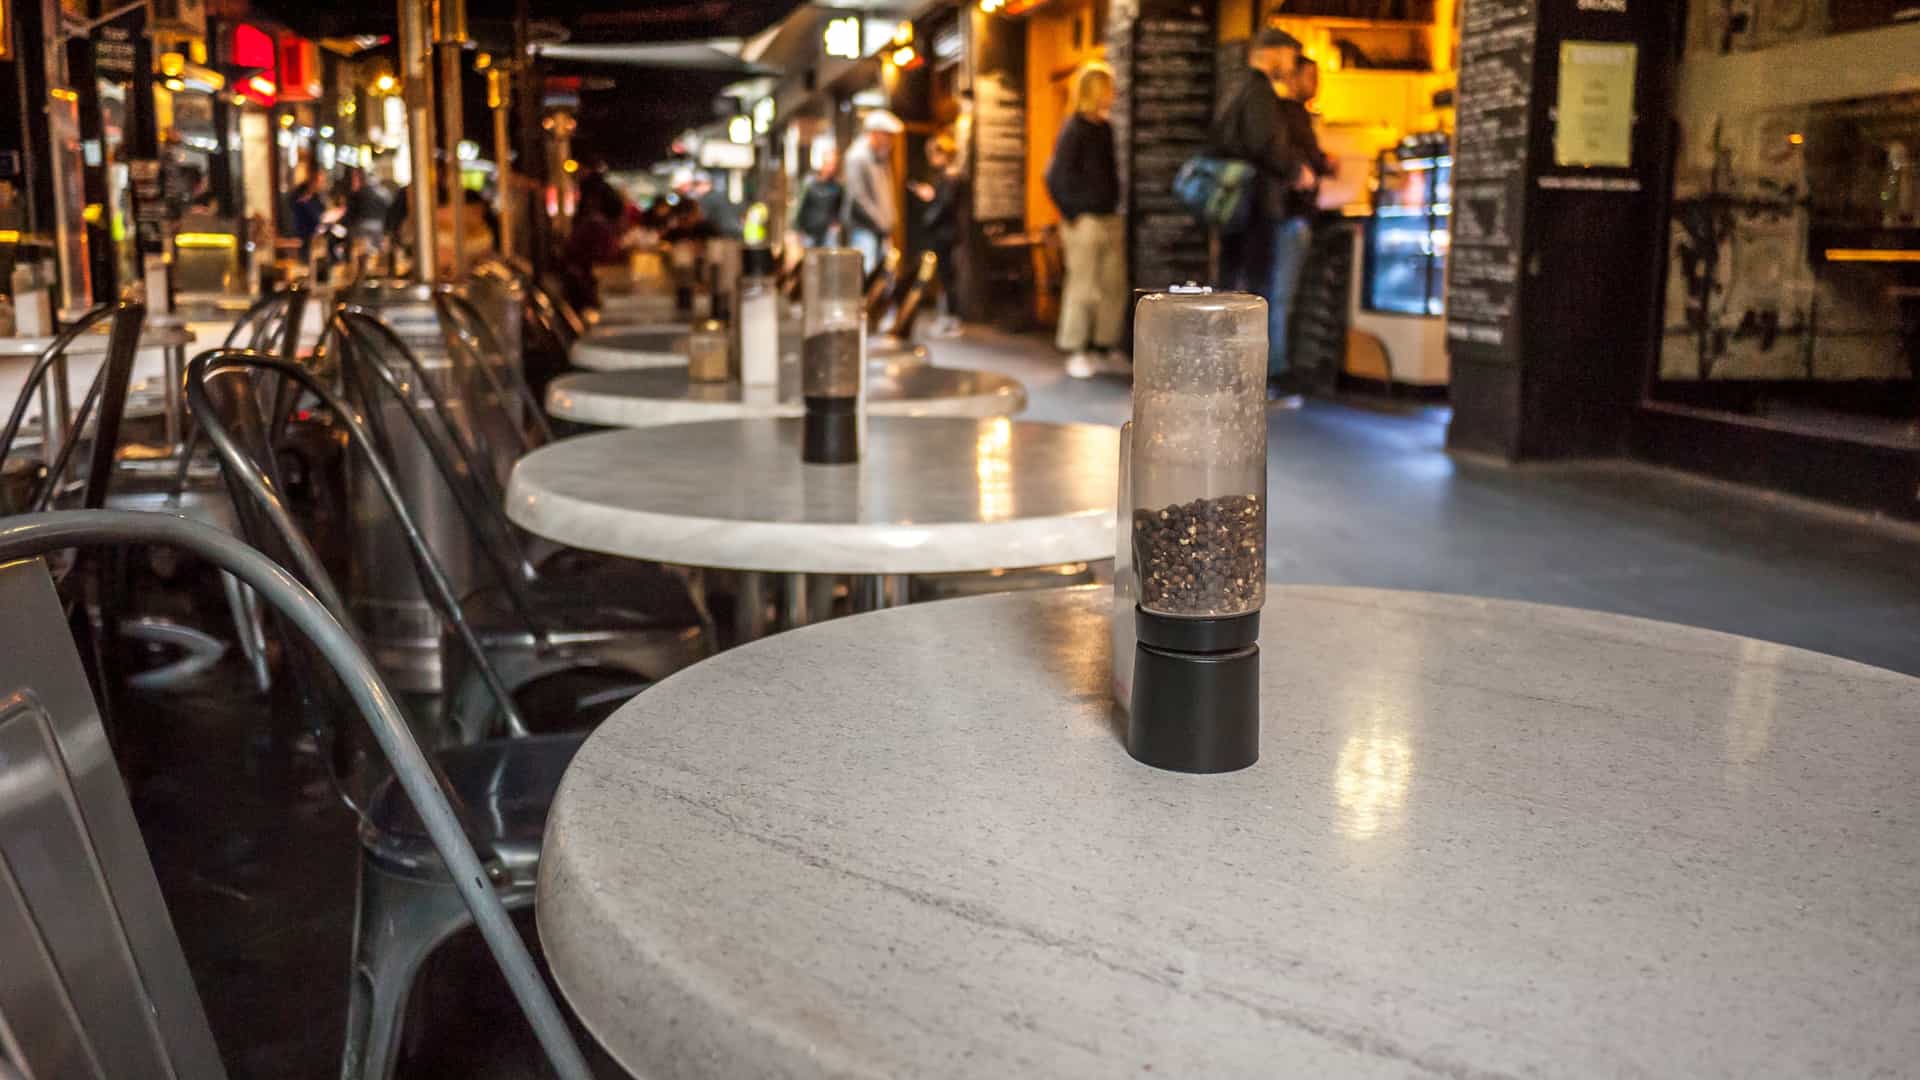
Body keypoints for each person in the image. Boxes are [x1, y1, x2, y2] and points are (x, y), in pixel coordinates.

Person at [1212, 26, 1317, 402]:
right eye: (1290, 57)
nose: (1290, 67)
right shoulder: (1259, 93)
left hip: (1237, 209)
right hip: (1255, 207)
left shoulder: (1236, 87)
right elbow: (1265, 144)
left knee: (1236, 287)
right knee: (1256, 295)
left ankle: (1233, 377)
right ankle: (1255, 381)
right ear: (1274, 53)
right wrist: (1296, 171)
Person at [1045, 62, 1127, 379]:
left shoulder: (1105, 129)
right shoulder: (1073, 129)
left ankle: (1102, 347)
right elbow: (1054, 177)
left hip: (1110, 216)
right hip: (1085, 220)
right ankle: (1075, 349)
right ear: (1096, 91)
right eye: (1109, 88)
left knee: (1112, 287)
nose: (1114, 94)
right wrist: (1073, 213)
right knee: (1083, 286)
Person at [910, 133, 965, 336]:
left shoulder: (950, 177)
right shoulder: (948, 177)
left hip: (946, 233)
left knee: (946, 275)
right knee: (945, 275)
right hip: (946, 231)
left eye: (934, 154)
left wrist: (928, 217)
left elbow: (945, 205)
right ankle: (947, 317)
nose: (931, 159)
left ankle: (951, 319)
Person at [842, 110, 903, 273]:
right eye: (887, 135)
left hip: (879, 230)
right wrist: (882, 221)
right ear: (875, 133)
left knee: (885, 276)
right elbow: (858, 196)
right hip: (864, 229)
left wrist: (890, 219)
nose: (890, 140)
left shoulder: (880, 158)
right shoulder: (857, 156)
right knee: (867, 275)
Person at [792, 147, 846, 248]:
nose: (831, 168)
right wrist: (795, 229)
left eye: (834, 164)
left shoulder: (837, 186)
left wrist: (837, 223)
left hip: (828, 232)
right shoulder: (809, 183)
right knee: (811, 261)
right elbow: (799, 206)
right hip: (809, 231)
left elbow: (840, 207)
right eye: (829, 164)